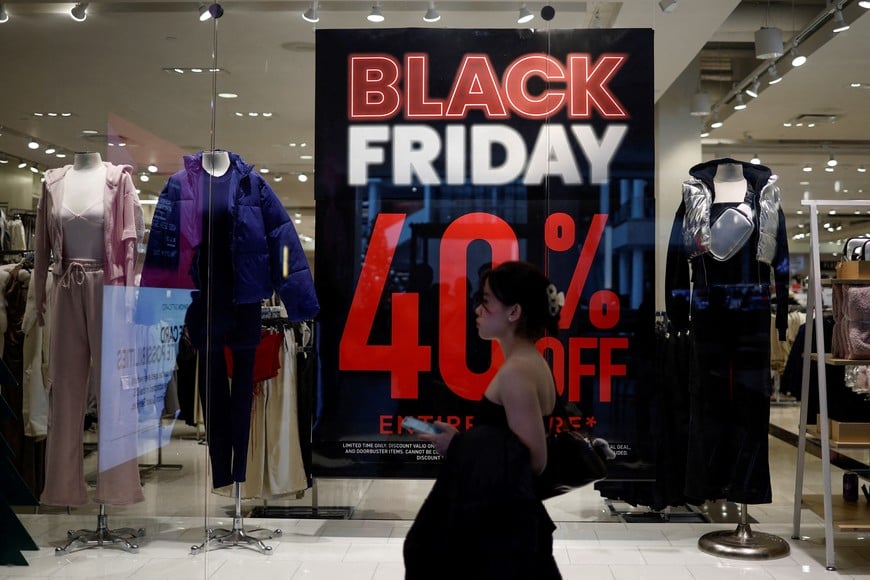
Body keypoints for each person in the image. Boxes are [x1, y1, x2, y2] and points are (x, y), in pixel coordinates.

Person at [403, 260, 562, 580]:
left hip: (502, 524)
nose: (477, 309)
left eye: (486, 301)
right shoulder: (530, 361)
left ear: (514, 312)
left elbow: (533, 459)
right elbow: (510, 444)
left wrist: (460, 445)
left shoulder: (517, 371)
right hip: (507, 518)